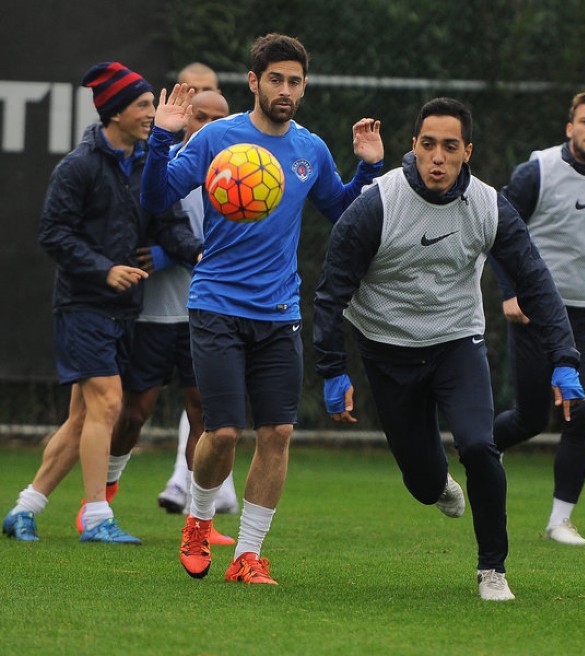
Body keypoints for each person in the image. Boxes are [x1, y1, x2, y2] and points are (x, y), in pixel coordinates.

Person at [312, 97, 584, 601]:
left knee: (479, 446)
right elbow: (331, 292)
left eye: (450, 147)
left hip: (457, 341)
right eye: (429, 144)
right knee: (421, 483)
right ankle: (435, 482)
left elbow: (535, 280)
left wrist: (565, 359)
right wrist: (333, 369)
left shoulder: (488, 205)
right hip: (387, 348)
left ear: (467, 152)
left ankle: (492, 569)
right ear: (413, 146)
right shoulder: (377, 204)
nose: (438, 157)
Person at [140, 33, 384, 585]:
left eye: (295, 81)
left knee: (277, 433)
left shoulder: (310, 149)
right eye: (275, 79)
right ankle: (199, 521)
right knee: (223, 432)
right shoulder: (216, 138)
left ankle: (248, 555)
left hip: (278, 311)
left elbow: (342, 212)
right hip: (216, 305)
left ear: (304, 86)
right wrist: (162, 137)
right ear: (254, 81)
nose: (285, 90)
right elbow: (155, 198)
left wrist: (368, 170)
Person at [2, 62, 198, 544]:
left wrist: (202, 253)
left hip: (125, 309)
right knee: (109, 403)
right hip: (83, 305)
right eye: (143, 105)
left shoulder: (150, 165)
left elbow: (169, 226)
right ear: (114, 112)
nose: (152, 113)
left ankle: (25, 508)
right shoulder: (79, 166)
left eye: (153, 104)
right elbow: (54, 233)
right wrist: (104, 268)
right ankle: (96, 517)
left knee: (82, 419)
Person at [90, 89, 237, 546]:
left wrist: (172, 254)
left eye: (217, 119)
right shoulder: (163, 165)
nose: (206, 126)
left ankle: (200, 518)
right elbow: (147, 219)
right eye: (200, 116)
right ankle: (103, 500)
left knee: (203, 413)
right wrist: (162, 249)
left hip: (204, 313)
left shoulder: (243, 174)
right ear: (185, 118)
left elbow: (223, 244)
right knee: (135, 412)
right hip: (154, 312)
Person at [492, 91, 585, 545]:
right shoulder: (538, 171)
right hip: (537, 313)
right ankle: (483, 447)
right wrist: (510, 292)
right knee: (531, 418)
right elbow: (498, 227)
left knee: (582, 415)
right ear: (570, 127)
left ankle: (560, 521)